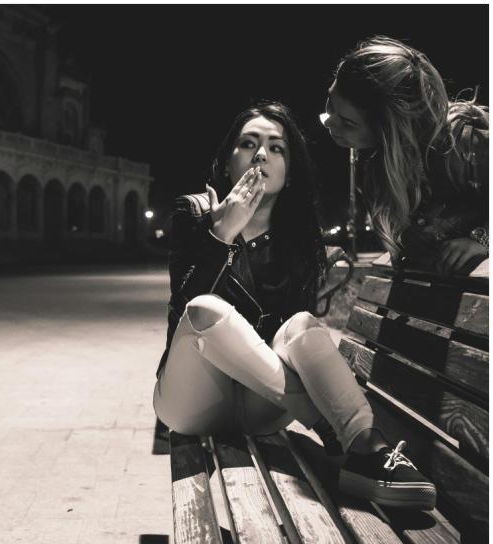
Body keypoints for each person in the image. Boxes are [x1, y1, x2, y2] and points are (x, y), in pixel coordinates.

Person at [153, 101, 436, 510]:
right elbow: (184, 312)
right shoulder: (194, 212)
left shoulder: (298, 236)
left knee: (302, 323)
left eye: (277, 147)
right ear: (227, 162)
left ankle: (365, 445)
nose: (262, 154)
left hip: (262, 400)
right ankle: (341, 433)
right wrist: (222, 236)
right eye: (248, 144)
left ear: (289, 171)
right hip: (191, 400)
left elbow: (288, 343)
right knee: (204, 309)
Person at [321, 36, 489, 275]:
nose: (329, 122)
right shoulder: (377, 162)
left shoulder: (460, 142)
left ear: (390, 129)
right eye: (330, 103)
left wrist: (483, 239)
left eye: (347, 122)